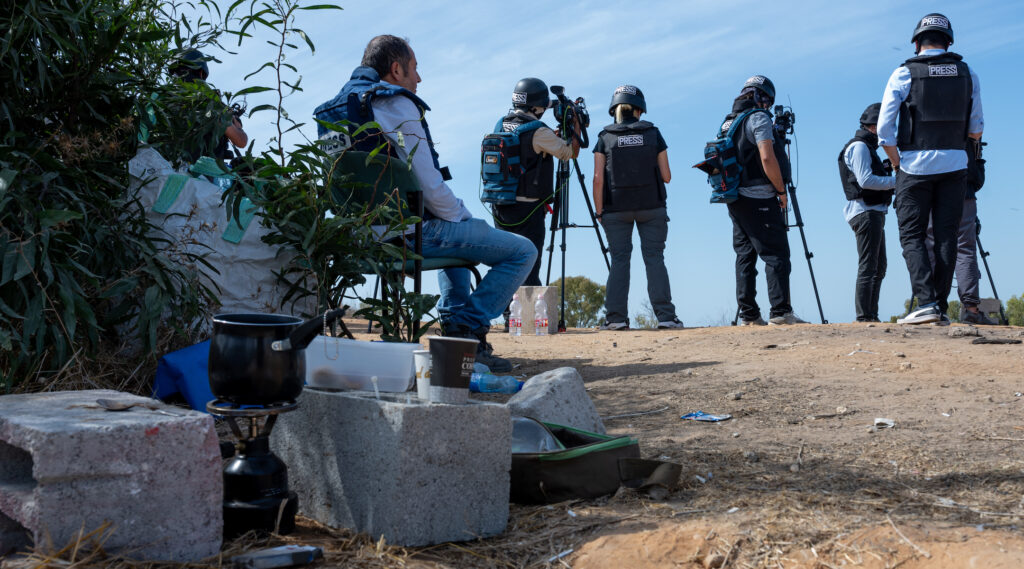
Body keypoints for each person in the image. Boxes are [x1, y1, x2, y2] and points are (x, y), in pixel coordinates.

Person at [312, 35, 536, 371]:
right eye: (415, 69)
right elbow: (430, 187)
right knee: (522, 251)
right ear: (396, 68)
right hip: (406, 232)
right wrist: (461, 215)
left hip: (358, 238)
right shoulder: (394, 103)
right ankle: (467, 328)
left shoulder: (329, 112)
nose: (419, 78)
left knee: (455, 228)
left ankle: (459, 330)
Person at [878, 13, 983, 325]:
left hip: (914, 165)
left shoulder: (903, 72)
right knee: (947, 235)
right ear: (948, 41)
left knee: (912, 234)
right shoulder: (968, 72)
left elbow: (884, 129)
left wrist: (897, 165)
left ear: (915, 43)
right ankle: (938, 305)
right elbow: (976, 127)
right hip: (956, 165)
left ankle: (926, 303)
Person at [592, 85, 682, 330]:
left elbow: (598, 179)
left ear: (615, 110)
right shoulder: (653, 134)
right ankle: (665, 317)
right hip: (652, 207)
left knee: (620, 261)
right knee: (654, 259)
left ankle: (616, 319)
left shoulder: (604, 138)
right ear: (640, 110)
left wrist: (599, 211)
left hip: (615, 210)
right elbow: (667, 176)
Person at [719, 75, 806, 326]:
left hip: (735, 197)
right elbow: (767, 158)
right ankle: (780, 312)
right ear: (762, 97)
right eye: (767, 100)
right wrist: (780, 191)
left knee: (745, 255)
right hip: (760, 196)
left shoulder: (729, 121)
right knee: (776, 253)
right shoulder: (758, 117)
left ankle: (749, 315)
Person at [492, 78, 579, 287]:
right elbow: (569, 153)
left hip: (500, 204)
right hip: (528, 208)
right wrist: (576, 124)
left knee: (506, 262)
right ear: (536, 106)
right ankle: (527, 315)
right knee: (529, 264)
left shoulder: (500, 123)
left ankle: (508, 313)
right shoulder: (539, 130)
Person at [924, 138, 995, 324]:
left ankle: (930, 306)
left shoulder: (924, 120)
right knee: (965, 249)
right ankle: (971, 309)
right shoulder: (966, 122)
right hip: (964, 194)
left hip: (931, 192)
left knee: (932, 246)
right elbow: (977, 179)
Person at [838, 103, 895, 322]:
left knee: (879, 266)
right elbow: (866, 180)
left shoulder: (864, 147)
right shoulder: (860, 147)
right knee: (869, 266)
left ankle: (870, 315)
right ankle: (864, 317)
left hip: (872, 212)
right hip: (865, 211)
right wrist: (898, 182)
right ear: (875, 127)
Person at [166, 49, 248, 161]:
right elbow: (241, 141)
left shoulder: (162, 98)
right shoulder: (208, 102)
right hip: (201, 173)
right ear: (201, 72)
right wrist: (237, 126)